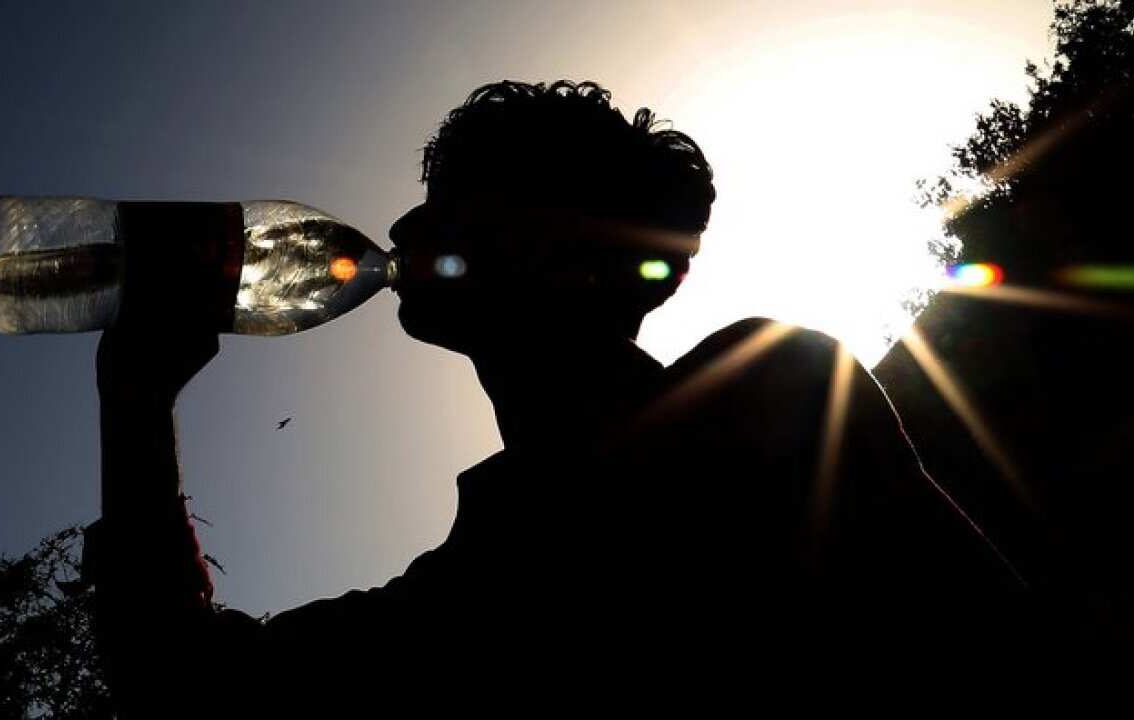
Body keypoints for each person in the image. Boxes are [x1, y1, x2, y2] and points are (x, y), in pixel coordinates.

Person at [81, 81, 1029, 713]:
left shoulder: (774, 395)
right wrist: (135, 394)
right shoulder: (476, 578)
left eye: (459, 200)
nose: (407, 225)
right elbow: (184, 692)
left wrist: (133, 411)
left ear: (574, 247)